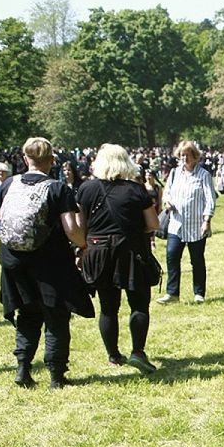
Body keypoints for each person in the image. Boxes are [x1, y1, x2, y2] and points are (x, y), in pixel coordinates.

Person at [0, 137, 93, 389]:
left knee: (27, 315)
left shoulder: (8, 185)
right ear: (51, 160)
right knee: (56, 317)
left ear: (26, 159)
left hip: (14, 262)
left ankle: (23, 369)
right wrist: (84, 245)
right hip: (50, 264)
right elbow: (71, 229)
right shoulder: (58, 188)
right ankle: (56, 377)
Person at [76, 144, 160, 373]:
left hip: (99, 251)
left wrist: (82, 249)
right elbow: (153, 224)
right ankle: (138, 352)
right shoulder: (136, 189)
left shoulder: (86, 189)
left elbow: (81, 227)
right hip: (132, 251)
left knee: (108, 307)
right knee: (139, 303)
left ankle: (113, 355)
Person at [158, 141, 216, 304]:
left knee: (197, 260)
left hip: (196, 226)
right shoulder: (175, 173)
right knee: (172, 257)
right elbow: (166, 193)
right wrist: (167, 202)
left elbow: (210, 199)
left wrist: (207, 220)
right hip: (176, 225)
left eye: (187, 155)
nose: (184, 158)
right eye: (182, 155)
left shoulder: (204, 175)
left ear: (195, 157)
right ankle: (172, 293)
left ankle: (199, 293)